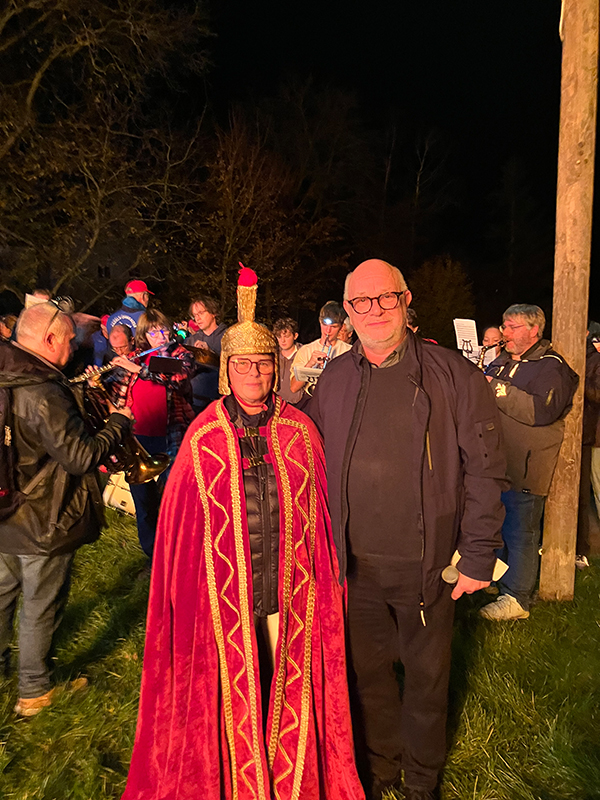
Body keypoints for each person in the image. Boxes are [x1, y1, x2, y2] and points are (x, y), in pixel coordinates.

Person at [122, 268, 364, 800]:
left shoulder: (300, 432)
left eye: (263, 362)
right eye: (243, 363)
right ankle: (233, 779)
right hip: (221, 598)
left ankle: (291, 778)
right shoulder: (202, 438)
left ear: (276, 368)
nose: (254, 372)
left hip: (290, 590)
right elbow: (180, 534)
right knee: (232, 694)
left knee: (286, 686)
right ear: (227, 371)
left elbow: (322, 519)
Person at [306, 259, 506, 800]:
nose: (373, 310)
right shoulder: (335, 378)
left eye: (385, 298)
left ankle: (421, 778)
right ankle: (381, 767)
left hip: (428, 564)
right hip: (353, 566)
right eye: (360, 302)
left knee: (425, 678)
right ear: (347, 311)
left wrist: (478, 553)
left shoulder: (452, 374)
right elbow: (300, 450)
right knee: (367, 676)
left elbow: (486, 468)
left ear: (405, 299)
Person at [0, 302, 132, 716]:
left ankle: (4, 672)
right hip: (45, 516)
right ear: (49, 339)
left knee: (3, 596)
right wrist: (117, 422)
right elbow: (79, 457)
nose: (74, 347)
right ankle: (34, 692)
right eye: (70, 340)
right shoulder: (42, 392)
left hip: (6, 509)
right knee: (41, 605)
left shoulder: (8, 375)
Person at [481, 304, 578, 621]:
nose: (505, 333)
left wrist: (496, 388)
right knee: (495, 523)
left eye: (512, 327)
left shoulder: (551, 367)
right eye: (504, 326)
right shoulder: (503, 360)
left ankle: (517, 598)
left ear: (534, 330)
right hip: (497, 462)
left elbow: (541, 411)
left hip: (526, 464)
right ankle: (495, 581)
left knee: (520, 531)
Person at [107, 310, 195, 559]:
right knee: (143, 500)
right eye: (154, 332)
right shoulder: (136, 356)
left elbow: (178, 377)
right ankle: (153, 554)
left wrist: (138, 368)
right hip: (138, 437)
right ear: (144, 335)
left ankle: (177, 550)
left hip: (170, 434)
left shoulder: (180, 354)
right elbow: (116, 392)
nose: (161, 335)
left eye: (164, 329)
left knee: (172, 496)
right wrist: (99, 382)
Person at [289, 301, 351, 395]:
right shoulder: (305, 350)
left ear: (341, 327)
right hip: (313, 399)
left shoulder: (349, 351)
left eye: (333, 327)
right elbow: (294, 388)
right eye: (324, 325)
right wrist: (310, 364)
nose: (328, 331)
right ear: (320, 322)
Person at [576, 324, 600, 568]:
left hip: (587, 434)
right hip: (573, 433)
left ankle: (581, 549)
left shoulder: (594, 360)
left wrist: (578, 382)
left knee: (587, 493)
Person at [186, 295, 227, 414]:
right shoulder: (192, 340)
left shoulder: (227, 337)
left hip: (219, 401)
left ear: (213, 313)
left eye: (201, 313)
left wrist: (210, 353)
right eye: (194, 315)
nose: (197, 318)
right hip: (194, 402)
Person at [273, 316, 303, 404]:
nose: (283, 340)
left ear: (295, 336)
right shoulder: (273, 355)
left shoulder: (304, 354)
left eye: (286, 336)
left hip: (298, 404)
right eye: (279, 336)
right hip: (276, 404)